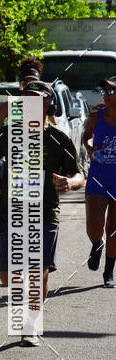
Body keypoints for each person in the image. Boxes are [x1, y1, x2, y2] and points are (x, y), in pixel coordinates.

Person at [0, 80, 84, 346]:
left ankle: (31, 324)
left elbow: (79, 173)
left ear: (48, 104)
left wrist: (70, 183)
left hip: (46, 211)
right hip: (10, 211)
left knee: (39, 270)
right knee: (8, 276)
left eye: (35, 100)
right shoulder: (9, 133)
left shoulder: (59, 140)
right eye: (24, 99)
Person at [82, 76, 116, 287]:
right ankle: (96, 244)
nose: (107, 95)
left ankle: (109, 272)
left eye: (112, 91)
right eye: (105, 91)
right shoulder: (97, 116)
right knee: (94, 226)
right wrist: (89, 148)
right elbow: (86, 137)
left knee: (114, 227)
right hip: (98, 176)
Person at [0, 57, 51, 140]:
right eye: (26, 83)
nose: (30, 87)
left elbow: (48, 132)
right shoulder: (10, 106)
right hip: (14, 150)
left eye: (33, 83)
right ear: (21, 85)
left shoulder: (45, 106)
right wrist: (12, 129)